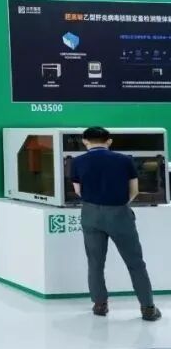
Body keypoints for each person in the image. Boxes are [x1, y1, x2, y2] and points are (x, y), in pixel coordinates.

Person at [71, 127, 161, 321]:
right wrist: (121, 205)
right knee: (135, 263)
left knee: (95, 263)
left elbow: (78, 190)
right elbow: (134, 190)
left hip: (90, 214)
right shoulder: (124, 160)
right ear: (109, 141)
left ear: (85, 141)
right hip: (119, 213)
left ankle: (100, 304)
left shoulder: (77, 162)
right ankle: (148, 308)